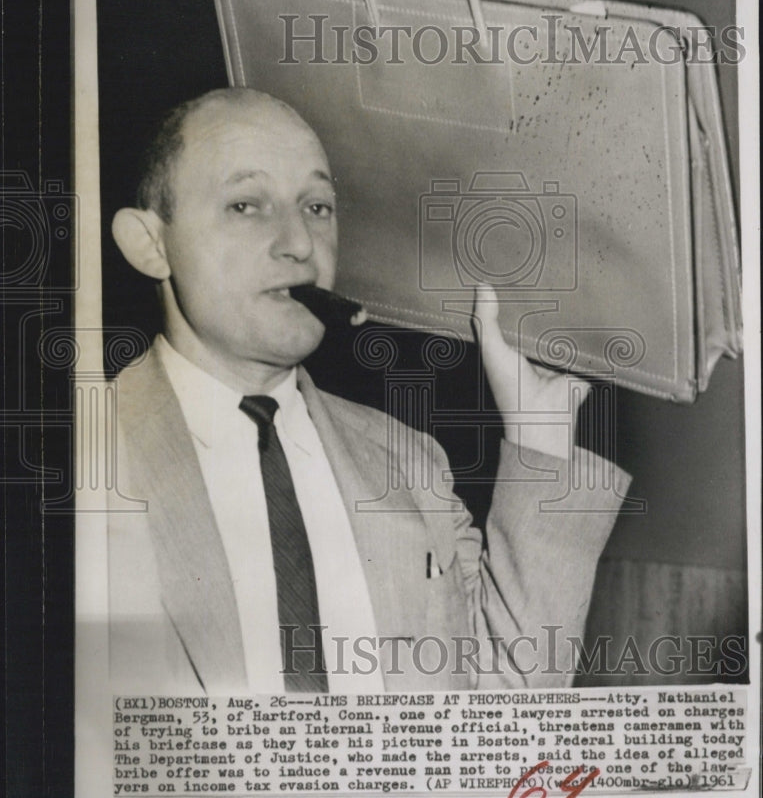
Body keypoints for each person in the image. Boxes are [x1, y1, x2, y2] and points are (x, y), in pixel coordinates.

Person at [107, 87, 630, 694]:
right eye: (246, 205)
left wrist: (537, 433)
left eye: (318, 206)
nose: (300, 244)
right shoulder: (69, 456)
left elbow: (508, 708)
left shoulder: (409, 463)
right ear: (150, 245)